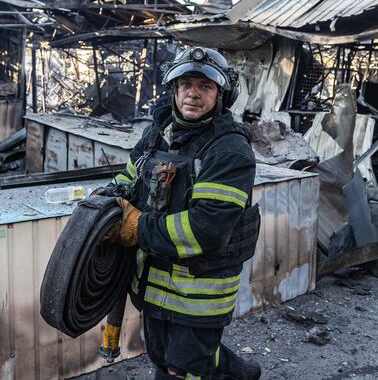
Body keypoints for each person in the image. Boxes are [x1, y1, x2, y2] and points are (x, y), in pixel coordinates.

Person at [100, 46, 262, 380]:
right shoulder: (157, 135)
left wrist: (137, 227)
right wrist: (104, 202)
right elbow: (127, 181)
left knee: (180, 369)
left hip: (198, 293)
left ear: (220, 95)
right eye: (185, 83)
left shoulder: (230, 151)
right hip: (153, 282)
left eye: (205, 86)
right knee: (164, 356)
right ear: (174, 89)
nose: (193, 93)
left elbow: (207, 228)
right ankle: (241, 374)